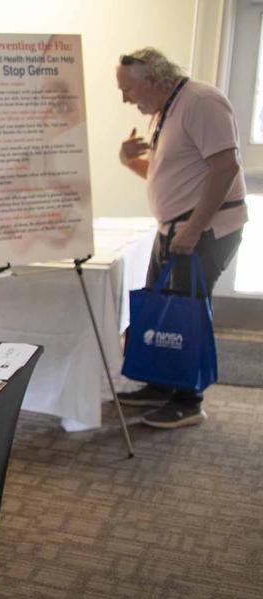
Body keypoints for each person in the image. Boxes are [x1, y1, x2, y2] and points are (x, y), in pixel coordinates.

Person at [116, 47, 247, 429]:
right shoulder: (166, 110)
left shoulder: (201, 102)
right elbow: (173, 178)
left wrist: (193, 229)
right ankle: (160, 384)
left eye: (128, 89)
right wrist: (128, 161)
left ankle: (188, 400)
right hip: (175, 229)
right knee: (163, 310)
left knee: (185, 313)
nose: (125, 98)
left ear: (152, 80)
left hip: (203, 230)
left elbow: (226, 168)